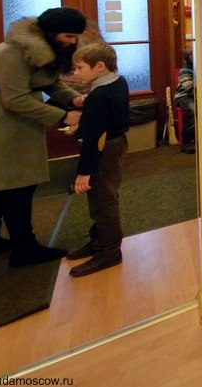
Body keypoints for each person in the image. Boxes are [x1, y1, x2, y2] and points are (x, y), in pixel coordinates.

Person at [0, 7, 86, 267]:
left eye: (76, 37)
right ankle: (24, 249)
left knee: (0, 187)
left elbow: (49, 82)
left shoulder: (42, 48)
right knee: (16, 188)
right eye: (68, 36)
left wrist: (73, 98)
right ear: (51, 33)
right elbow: (15, 99)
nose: (72, 42)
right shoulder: (11, 54)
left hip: (12, 124)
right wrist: (63, 116)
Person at [65, 42, 130, 277]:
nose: (76, 73)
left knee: (103, 201)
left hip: (104, 149)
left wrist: (84, 172)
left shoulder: (99, 96)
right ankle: (99, 240)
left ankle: (109, 250)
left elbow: (94, 138)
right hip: (117, 143)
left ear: (100, 67)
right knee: (105, 195)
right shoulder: (118, 82)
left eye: (80, 68)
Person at [174, 45, 196, 153]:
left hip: (195, 94)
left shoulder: (197, 67)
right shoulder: (185, 71)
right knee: (193, 110)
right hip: (183, 96)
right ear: (190, 58)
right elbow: (190, 89)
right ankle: (187, 141)